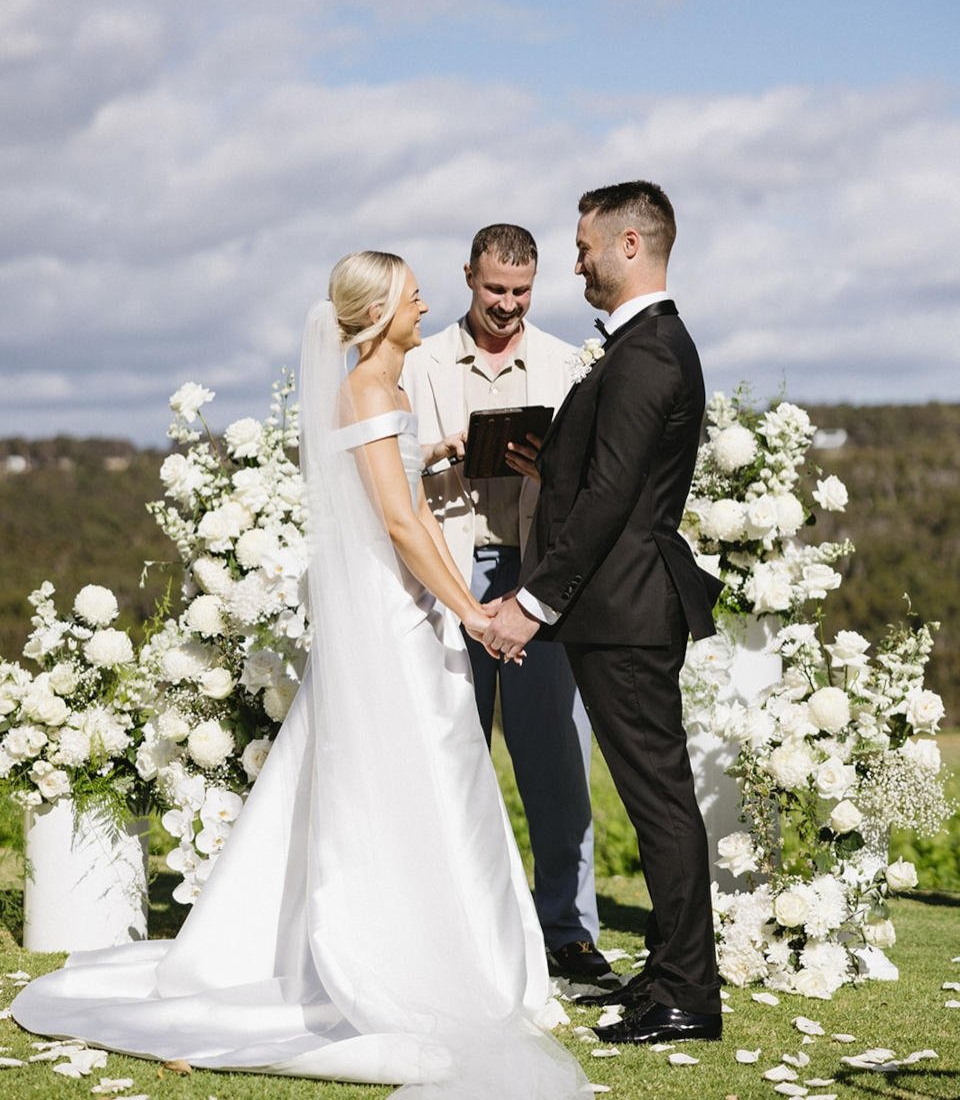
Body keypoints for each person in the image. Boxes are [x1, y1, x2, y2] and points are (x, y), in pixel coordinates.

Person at [14, 252, 586, 1098]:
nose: (426, 302)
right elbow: (397, 522)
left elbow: (408, 498)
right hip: (395, 620)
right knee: (409, 775)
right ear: (382, 309)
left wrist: (437, 481)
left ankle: (468, 949)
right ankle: (399, 953)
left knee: (442, 775)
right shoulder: (363, 390)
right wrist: (471, 610)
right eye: (413, 294)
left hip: (414, 610)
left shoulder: (387, 393)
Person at [482, 182, 724, 1047]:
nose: (576, 259)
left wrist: (532, 605)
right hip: (621, 606)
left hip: (625, 608)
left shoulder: (649, 351)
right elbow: (608, 475)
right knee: (654, 795)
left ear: (629, 244)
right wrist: (552, 460)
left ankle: (689, 993)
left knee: (657, 801)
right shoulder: (639, 347)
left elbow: (616, 500)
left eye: (584, 246)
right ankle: (671, 969)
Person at [403, 224, 611, 989]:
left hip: (538, 577)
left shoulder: (565, 362)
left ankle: (570, 933)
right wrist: (443, 451)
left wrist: (544, 467)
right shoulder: (419, 364)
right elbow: (388, 476)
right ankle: (454, 934)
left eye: (521, 293)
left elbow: (595, 482)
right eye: (495, 290)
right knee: (450, 761)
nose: (507, 305)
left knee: (557, 765)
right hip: (446, 579)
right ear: (468, 277)